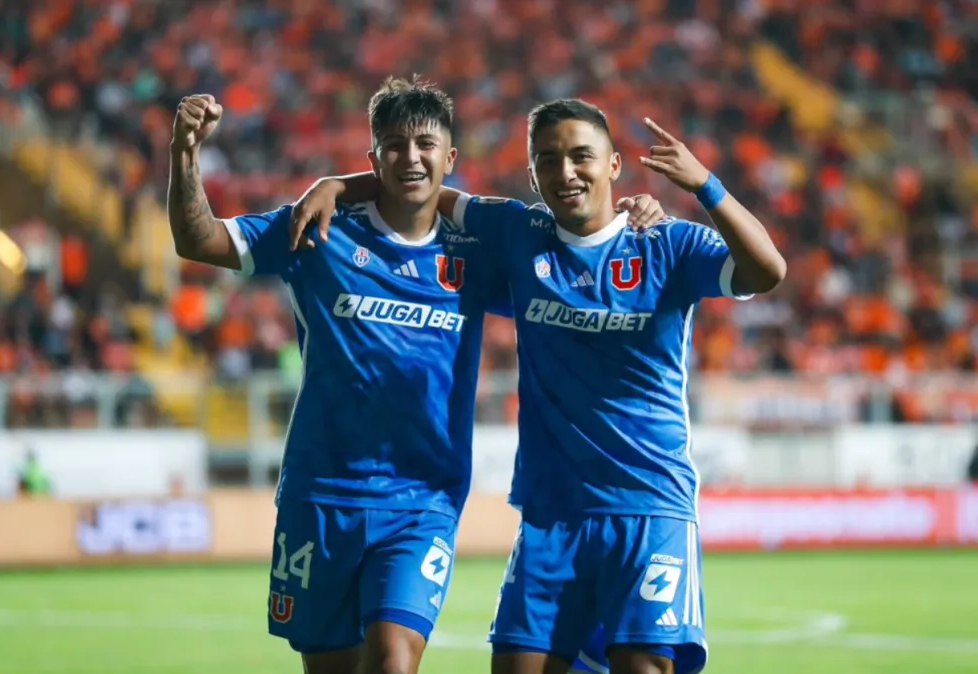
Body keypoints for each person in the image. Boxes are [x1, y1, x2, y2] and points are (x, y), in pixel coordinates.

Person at [167, 80, 665, 674]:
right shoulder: (317, 231)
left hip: (422, 501)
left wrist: (634, 215)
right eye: (394, 146)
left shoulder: (479, 248)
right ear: (373, 157)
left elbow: (577, 256)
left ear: (449, 157)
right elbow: (198, 239)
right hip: (320, 493)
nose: (411, 157)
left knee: (393, 660)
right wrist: (184, 154)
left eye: (426, 144)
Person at [292, 98, 786, 674]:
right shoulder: (519, 233)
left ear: (615, 165)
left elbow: (767, 270)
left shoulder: (668, 244)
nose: (566, 172)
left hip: (649, 508)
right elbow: (421, 187)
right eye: (548, 161)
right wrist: (337, 185)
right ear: (533, 175)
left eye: (582, 157)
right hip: (551, 515)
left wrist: (705, 185)